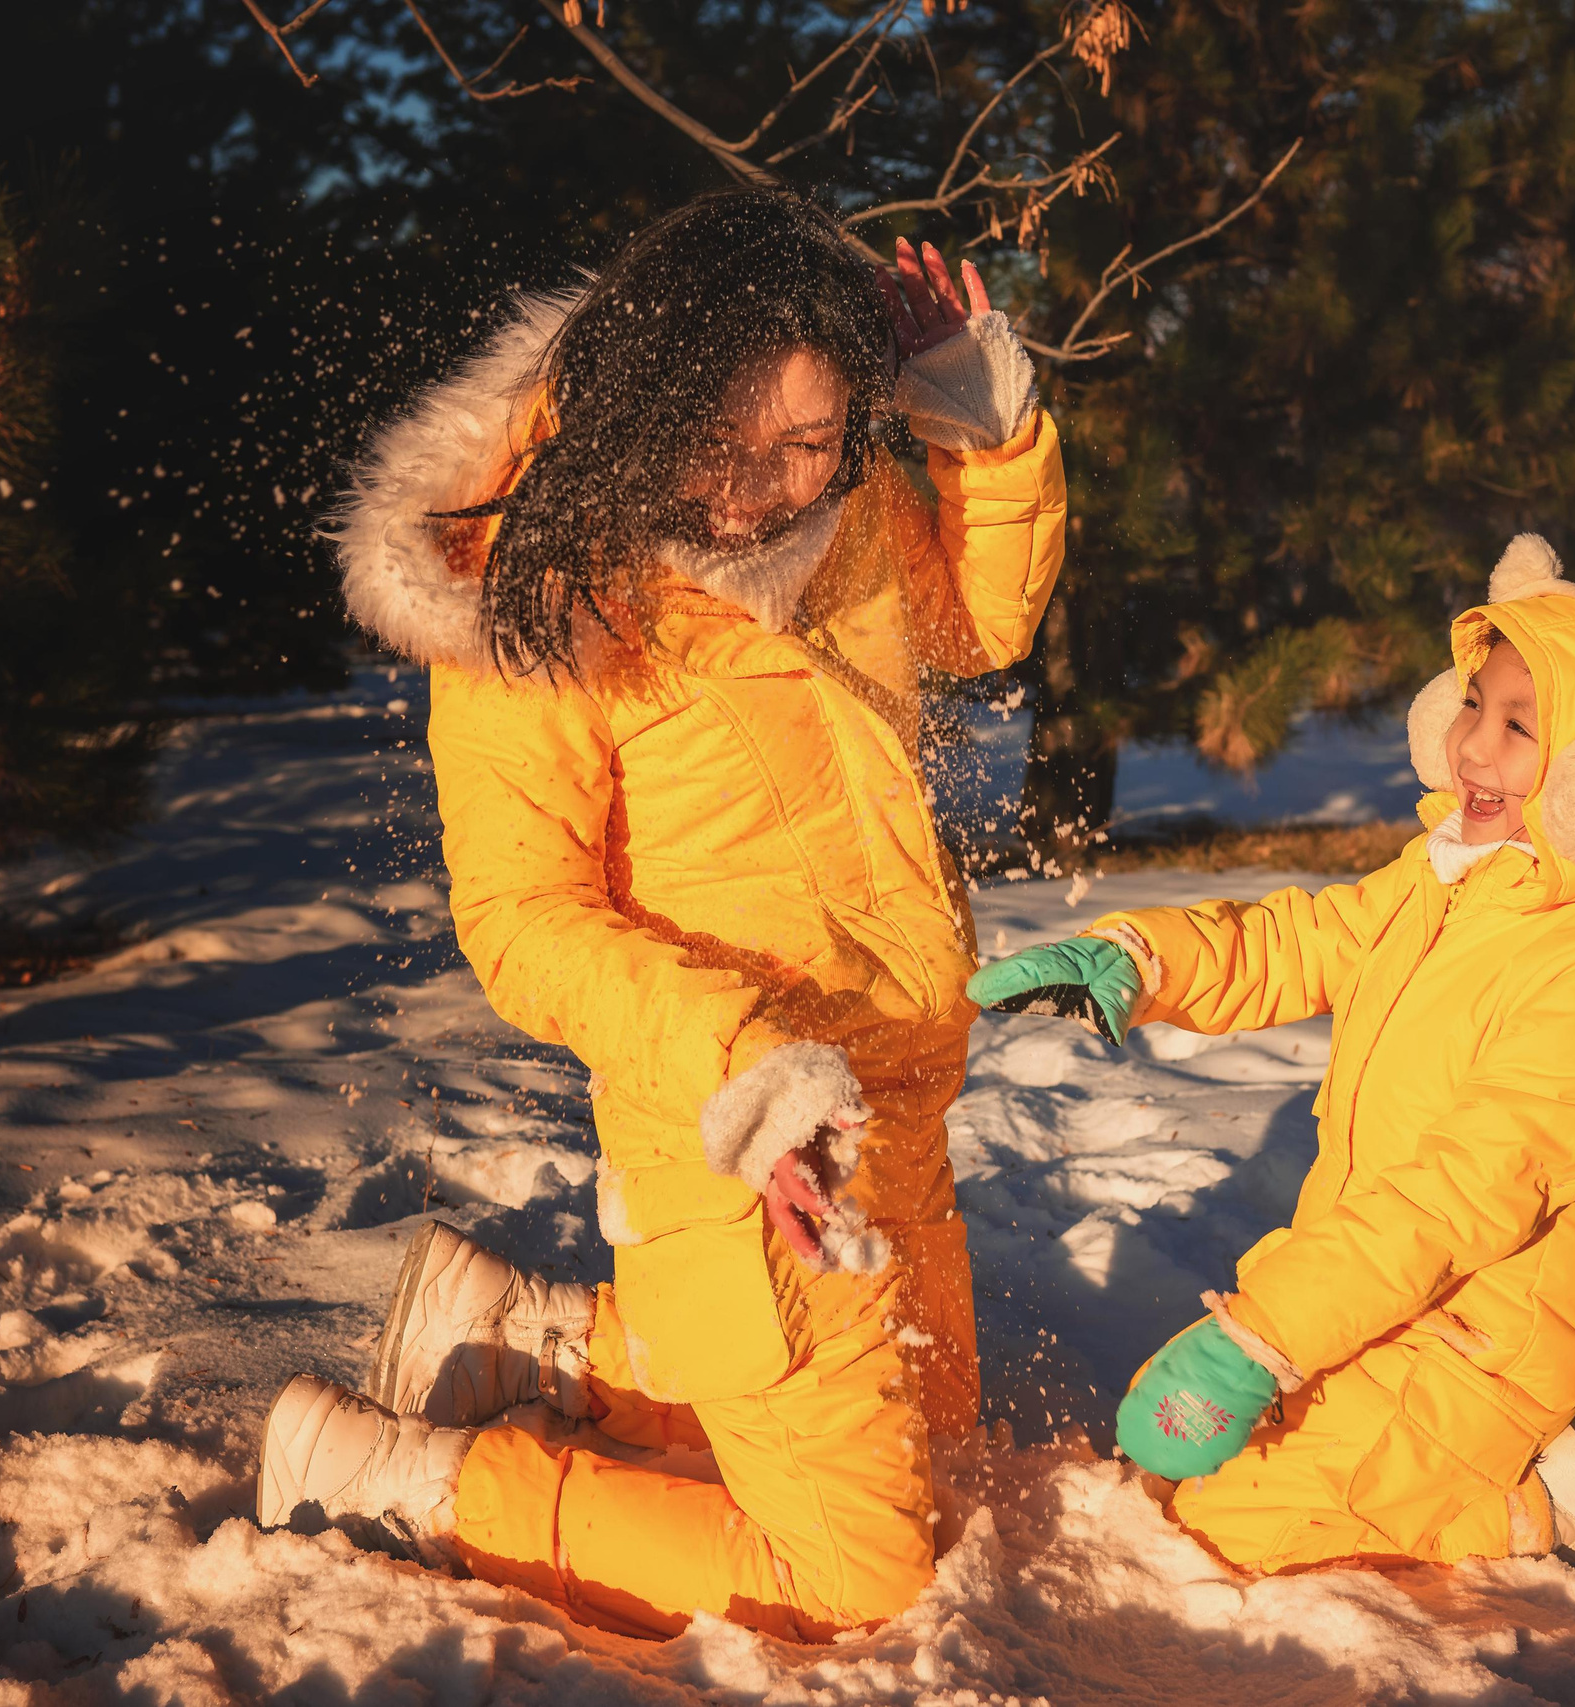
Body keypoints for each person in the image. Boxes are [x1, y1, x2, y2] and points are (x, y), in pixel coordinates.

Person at [255, 187, 1065, 1641]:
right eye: (725, 440)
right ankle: (415, 1478)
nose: (761, 488)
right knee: (860, 1576)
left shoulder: (856, 508)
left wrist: (976, 419)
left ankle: (536, 1335)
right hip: (743, 1135)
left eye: (810, 441)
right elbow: (521, 915)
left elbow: (974, 626)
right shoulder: (546, 602)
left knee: (943, 1447)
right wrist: (746, 1065)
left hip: (901, 1099)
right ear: (647, 391)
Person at [970, 534, 1575, 1572]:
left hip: (1471, 1346)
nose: (1473, 748)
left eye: (1521, 726)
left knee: (1217, 1538)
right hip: (1372, 1296)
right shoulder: (1454, 878)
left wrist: (1257, 1339)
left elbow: (1447, 1206)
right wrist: (1142, 957)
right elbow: (1302, 941)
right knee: (1175, 1483)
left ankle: (1543, 1501)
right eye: (1474, 703)